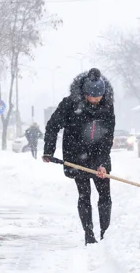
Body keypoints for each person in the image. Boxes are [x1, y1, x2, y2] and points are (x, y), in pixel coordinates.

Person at [43, 68, 115, 245]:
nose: (96, 100)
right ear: (84, 93)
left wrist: (102, 163)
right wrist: (48, 151)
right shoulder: (69, 104)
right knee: (84, 195)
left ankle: (106, 233)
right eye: (92, 97)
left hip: (99, 155)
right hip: (77, 156)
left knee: (105, 195)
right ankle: (89, 235)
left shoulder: (107, 106)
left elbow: (107, 137)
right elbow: (52, 126)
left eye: (99, 97)